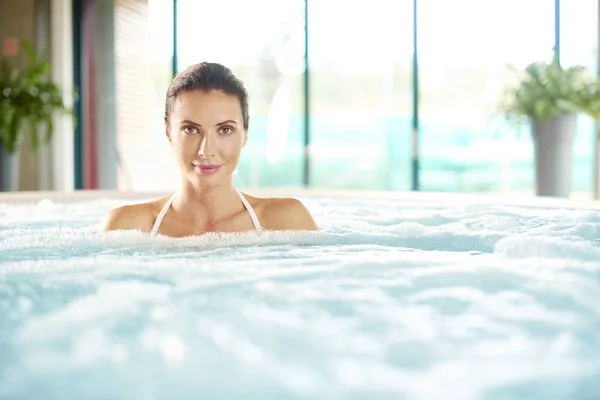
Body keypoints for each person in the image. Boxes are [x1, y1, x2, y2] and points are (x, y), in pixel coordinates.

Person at [102, 62, 317, 237]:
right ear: (168, 131)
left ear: (246, 131)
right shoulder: (127, 226)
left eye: (225, 130)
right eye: (190, 129)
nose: (206, 150)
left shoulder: (287, 221)